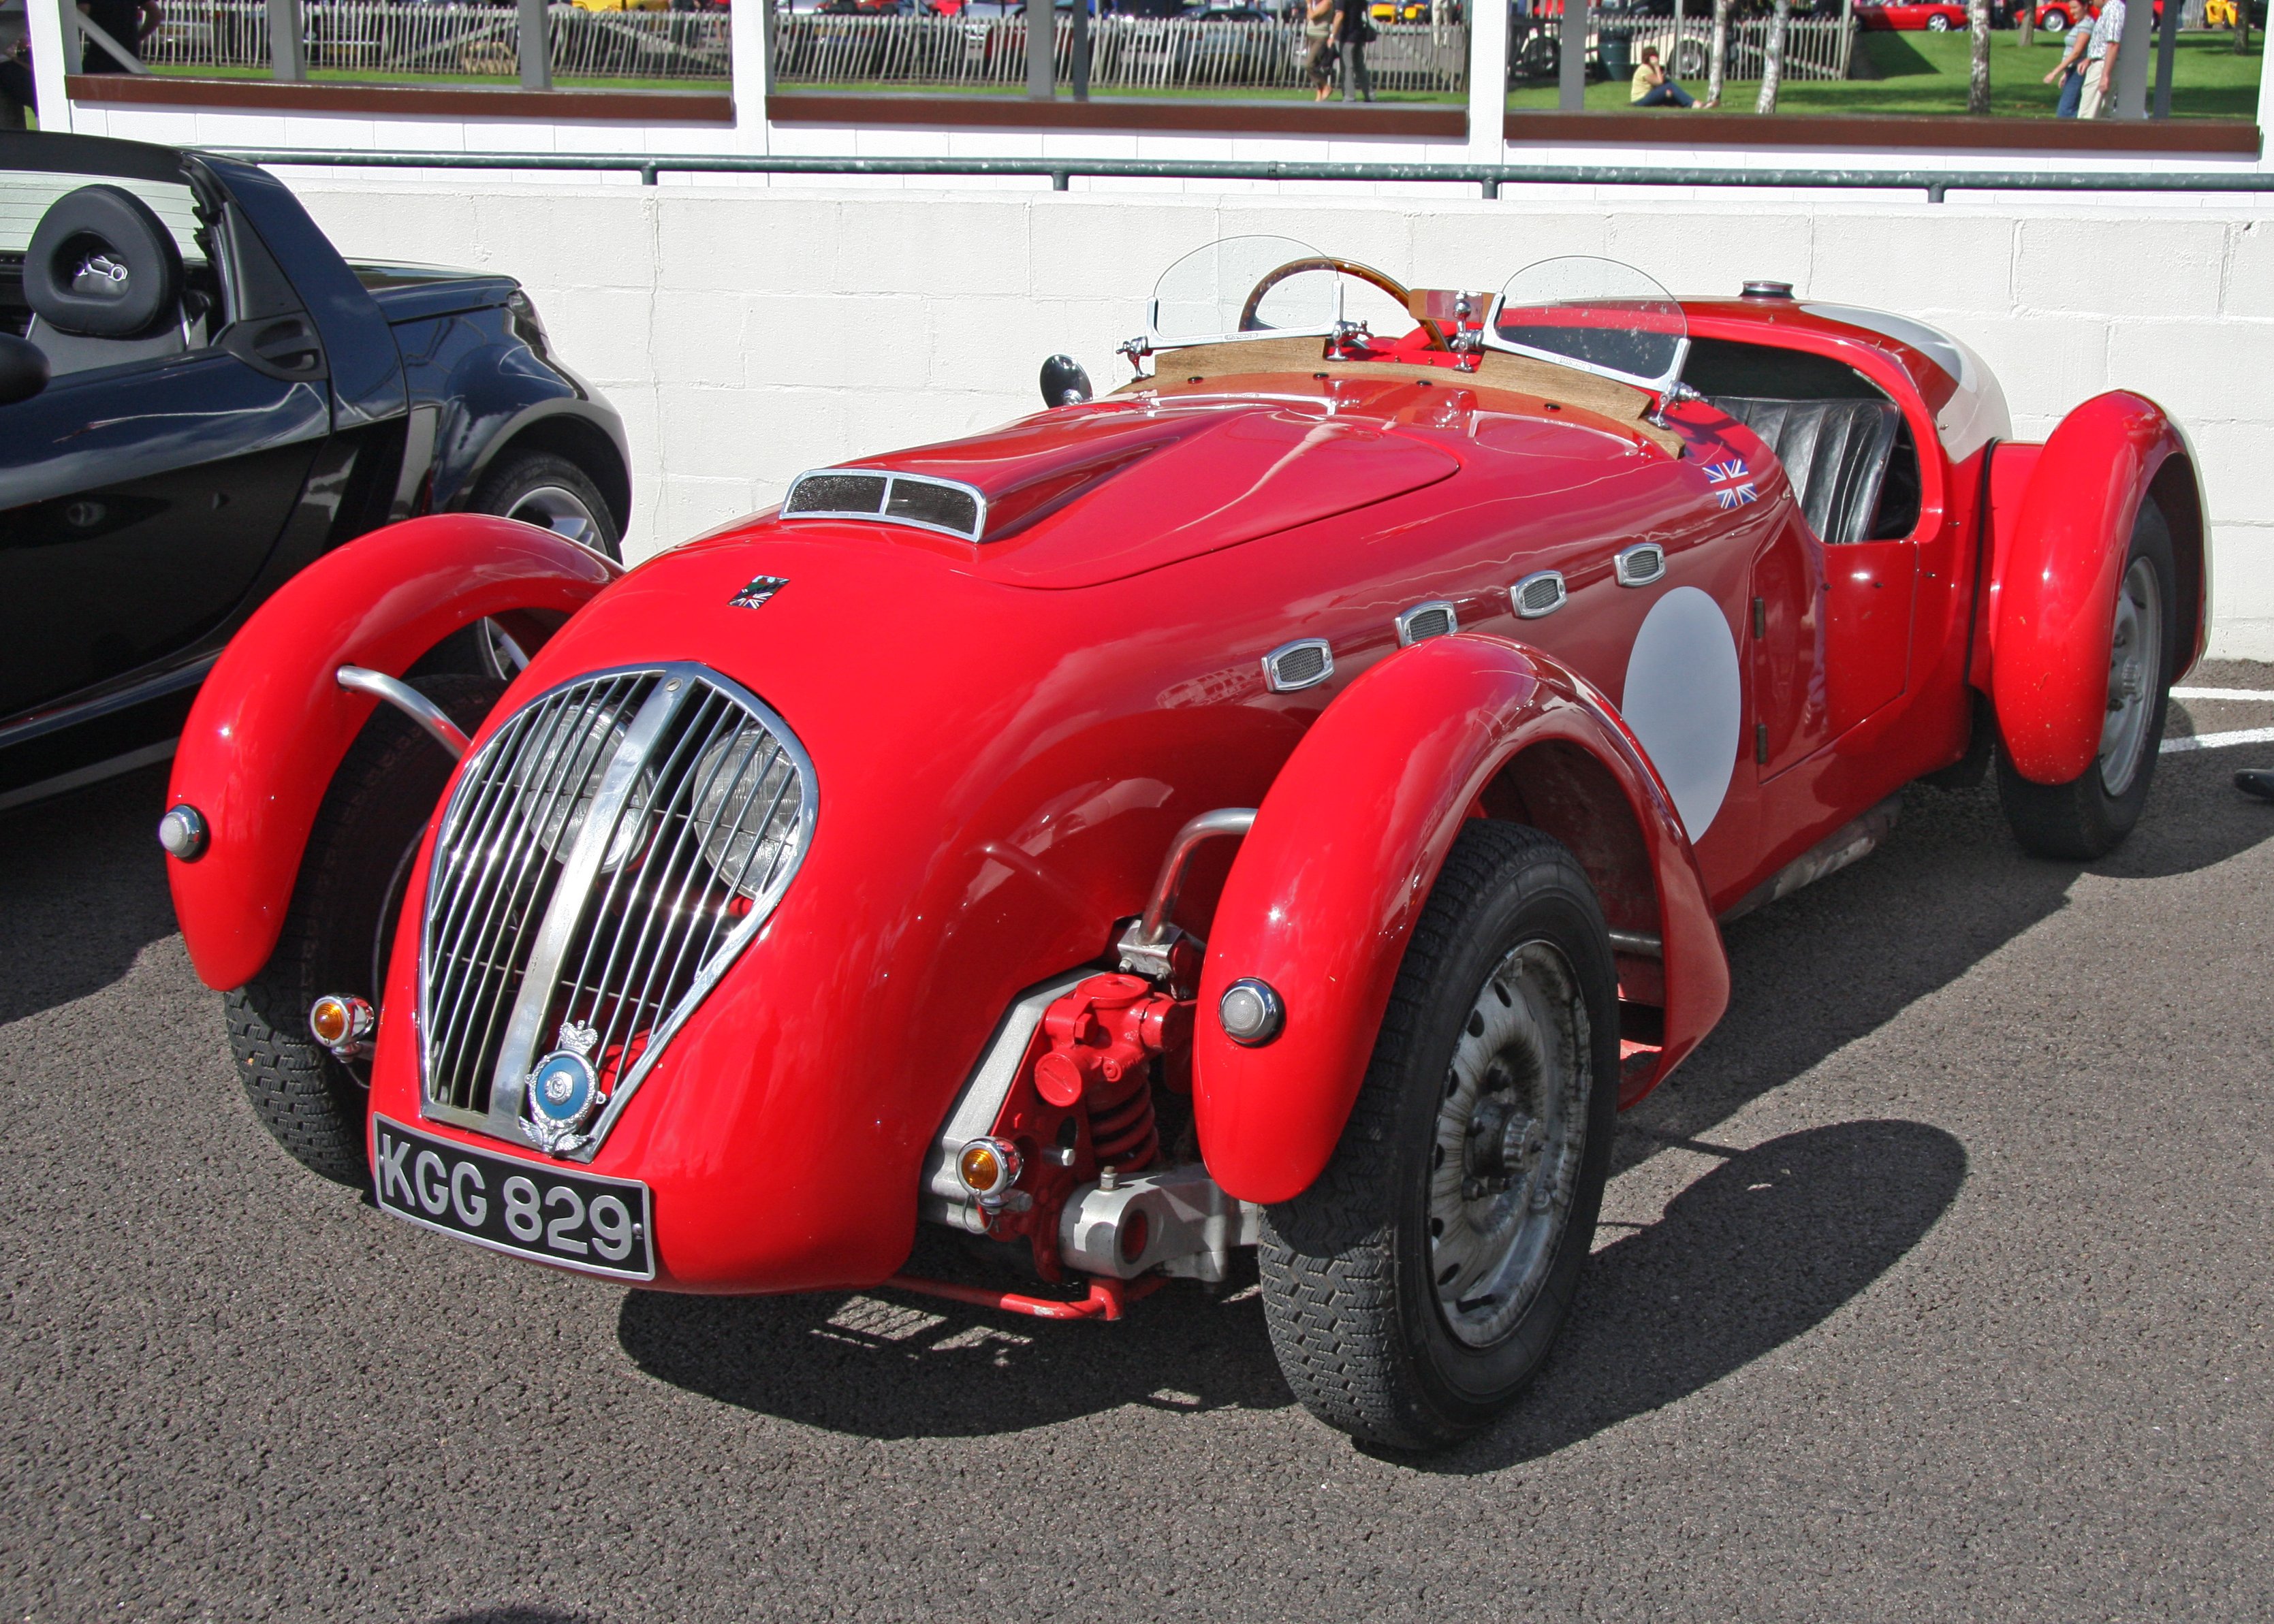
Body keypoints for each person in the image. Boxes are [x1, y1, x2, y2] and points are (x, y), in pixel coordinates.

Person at [76, 0, 161, 72]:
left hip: (100, 57)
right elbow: (156, 15)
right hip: (130, 57)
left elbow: (82, 11)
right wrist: (138, 38)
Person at [2042, 3, 2094, 116]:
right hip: (2072, 70)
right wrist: (2066, 73)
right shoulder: (2079, 24)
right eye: (2070, 8)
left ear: (2085, 6)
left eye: (2075, 8)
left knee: (2066, 111)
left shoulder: (2087, 25)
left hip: (2079, 72)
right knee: (2067, 110)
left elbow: (2076, 53)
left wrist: (2054, 73)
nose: (2072, 11)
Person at [2077, 0, 2123, 118]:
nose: (2090, 2)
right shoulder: (2108, 9)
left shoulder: (2114, 9)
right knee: (2100, 115)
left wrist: (2105, 75)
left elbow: (2113, 43)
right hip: (2100, 64)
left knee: (2088, 114)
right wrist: (2089, 58)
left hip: (2102, 66)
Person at [1630, 44, 1697, 108]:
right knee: (1669, 86)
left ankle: (1689, 103)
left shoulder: (1649, 68)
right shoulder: (1644, 69)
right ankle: (1692, 103)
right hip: (1640, 100)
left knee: (1668, 84)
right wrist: (1656, 66)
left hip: (1647, 97)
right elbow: (1660, 82)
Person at [1329, 0, 1370, 103]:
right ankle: (1370, 94)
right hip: (1358, 33)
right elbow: (1365, 8)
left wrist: (1332, 35)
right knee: (1360, 67)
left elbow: (1339, 15)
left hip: (1346, 36)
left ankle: (1349, 96)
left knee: (1347, 67)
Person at [1304, 0, 1336, 101]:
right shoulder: (1316, 4)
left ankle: (1326, 86)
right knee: (1316, 66)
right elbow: (1309, 17)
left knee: (1309, 65)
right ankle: (1319, 92)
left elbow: (1313, 16)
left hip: (1320, 37)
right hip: (1312, 36)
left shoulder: (1327, 3)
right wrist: (1311, 7)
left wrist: (1309, 5)